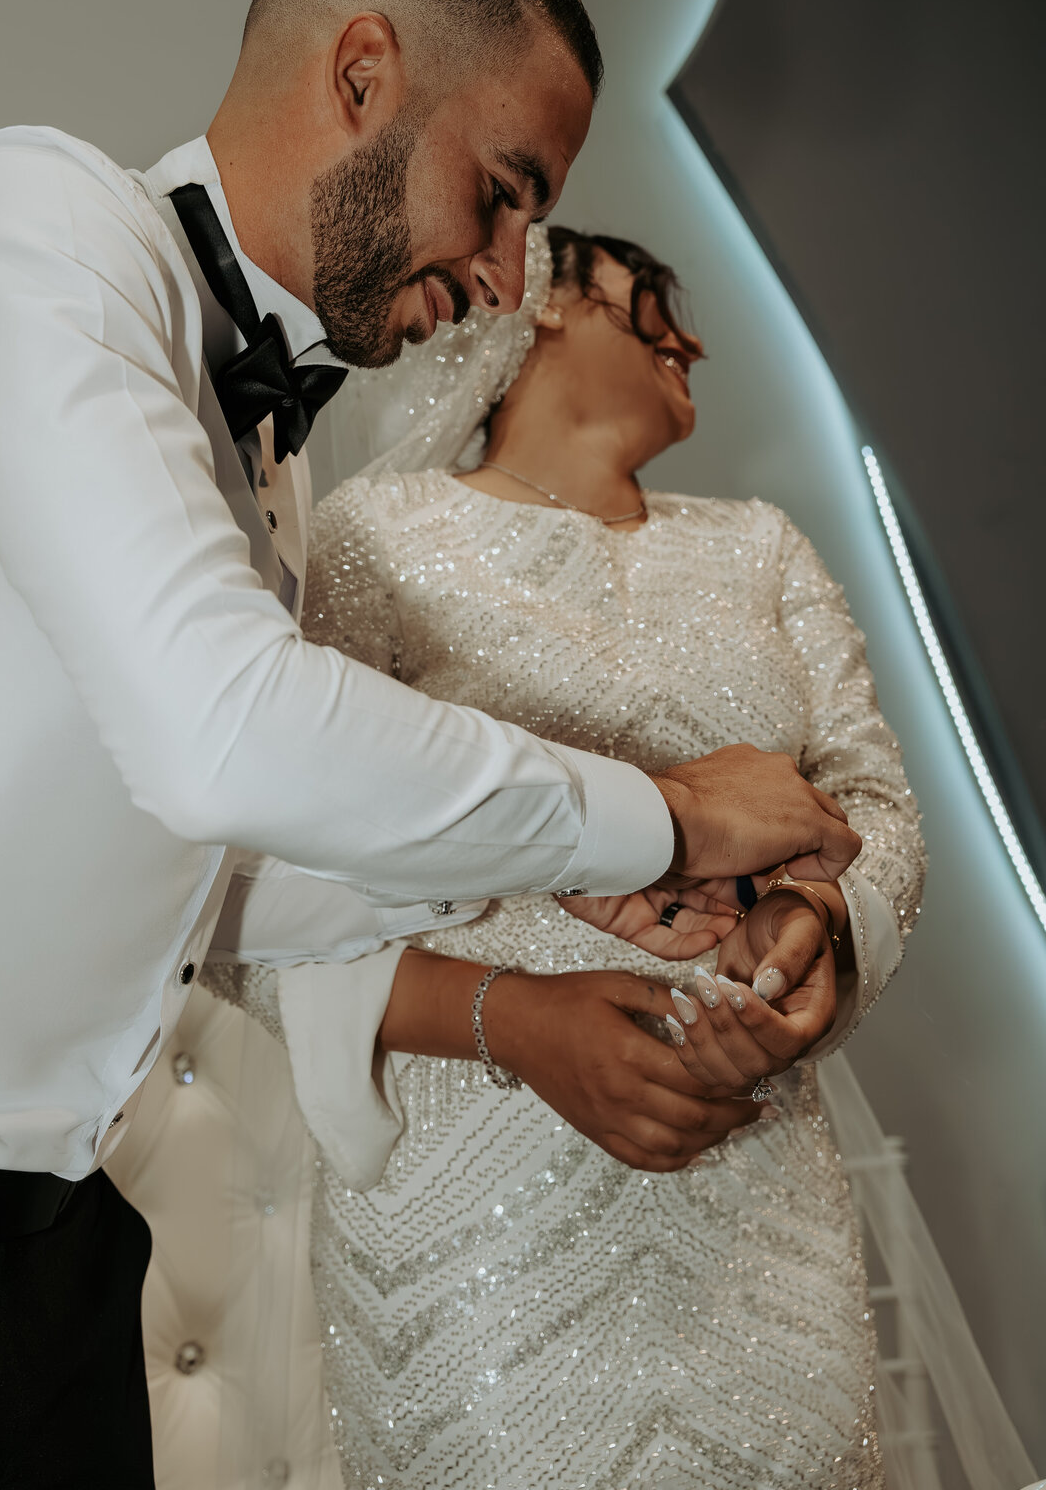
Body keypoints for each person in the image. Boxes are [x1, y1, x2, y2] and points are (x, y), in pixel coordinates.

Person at [0, 0, 858, 1485]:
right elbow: (223, 739)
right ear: (364, 75)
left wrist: (565, 904)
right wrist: (662, 818)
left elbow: (218, 876)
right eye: (506, 190)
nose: (518, 267)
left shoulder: (272, 454)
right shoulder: (35, 226)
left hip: (40, 1237)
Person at [215, 222, 926, 1487]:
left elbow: (873, 801)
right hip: (474, 1213)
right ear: (538, 299)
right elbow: (244, 904)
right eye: (650, 296)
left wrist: (812, 929)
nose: (689, 335)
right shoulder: (380, 539)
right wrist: (515, 1022)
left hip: (753, 1193)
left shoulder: (761, 546)